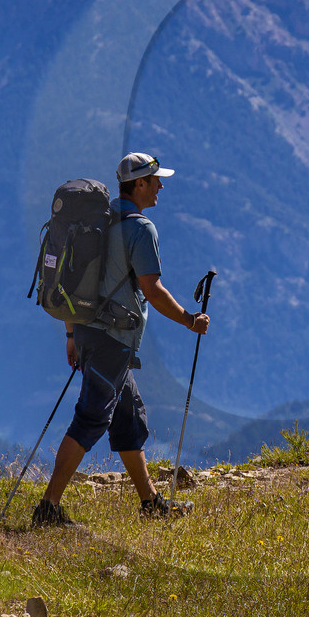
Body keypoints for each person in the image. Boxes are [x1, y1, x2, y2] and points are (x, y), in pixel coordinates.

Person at [31, 152, 210, 528]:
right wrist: (189, 320)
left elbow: (76, 280)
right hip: (112, 338)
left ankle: (151, 503)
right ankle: (48, 508)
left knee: (128, 419)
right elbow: (153, 290)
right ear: (140, 184)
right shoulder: (140, 229)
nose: (161, 187)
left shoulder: (99, 220)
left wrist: (71, 335)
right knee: (90, 419)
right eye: (156, 180)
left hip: (88, 332)